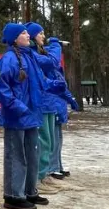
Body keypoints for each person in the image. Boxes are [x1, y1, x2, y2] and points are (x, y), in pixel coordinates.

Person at [0, 23, 49, 209]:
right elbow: (3, 89)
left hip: (32, 115)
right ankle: (13, 195)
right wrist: (19, 108)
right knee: (16, 155)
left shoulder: (30, 57)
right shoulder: (10, 59)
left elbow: (40, 82)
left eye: (27, 32)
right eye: (23, 33)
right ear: (14, 38)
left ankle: (29, 190)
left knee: (32, 154)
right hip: (17, 117)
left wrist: (56, 87)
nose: (28, 35)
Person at [25, 23, 75, 193]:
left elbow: (55, 76)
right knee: (43, 142)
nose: (43, 37)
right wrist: (55, 45)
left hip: (49, 103)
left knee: (50, 141)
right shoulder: (31, 54)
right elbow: (52, 63)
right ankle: (37, 178)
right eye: (40, 33)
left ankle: (44, 175)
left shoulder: (39, 52)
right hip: (41, 104)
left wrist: (67, 97)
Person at [44, 36, 77, 179]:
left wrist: (71, 99)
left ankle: (57, 165)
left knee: (58, 138)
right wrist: (56, 46)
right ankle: (51, 168)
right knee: (52, 140)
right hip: (52, 105)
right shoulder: (48, 67)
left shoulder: (57, 70)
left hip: (58, 105)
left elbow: (63, 88)